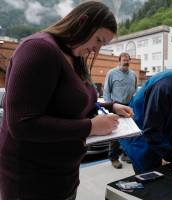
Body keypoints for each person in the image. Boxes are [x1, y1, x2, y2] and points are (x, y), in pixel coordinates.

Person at [0, 1, 134, 199]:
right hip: (32, 182)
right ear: (82, 22)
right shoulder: (38, 49)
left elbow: (74, 102)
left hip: (64, 175)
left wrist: (110, 105)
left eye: (102, 45)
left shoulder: (75, 55)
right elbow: (21, 124)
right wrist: (90, 127)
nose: (96, 50)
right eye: (97, 40)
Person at [103, 52, 137, 169]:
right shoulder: (112, 73)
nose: (126, 62)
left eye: (128, 60)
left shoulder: (133, 74)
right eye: (124, 60)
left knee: (128, 133)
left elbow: (135, 90)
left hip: (129, 106)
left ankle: (125, 155)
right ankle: (113, 158)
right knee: (115, 134)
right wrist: (110, 109)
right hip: (116, 106)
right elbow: (106, 92)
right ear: (119, 61)